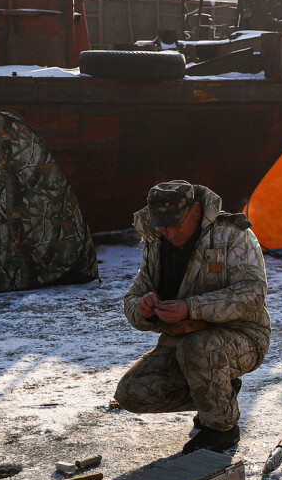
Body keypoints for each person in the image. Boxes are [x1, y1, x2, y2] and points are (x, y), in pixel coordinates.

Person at [114, 180, 271, 454]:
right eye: (162, 225)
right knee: (132, 392)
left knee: (198, 348)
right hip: (180, 343)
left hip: (245, 336)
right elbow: (133, 297)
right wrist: (143, 308)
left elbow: (253, 292)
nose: (169, 232)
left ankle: (221, 429)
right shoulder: (157, 242)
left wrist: (191, 308)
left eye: (176, 225)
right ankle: (220, 390)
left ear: (196, 211)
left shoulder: (232, 235)